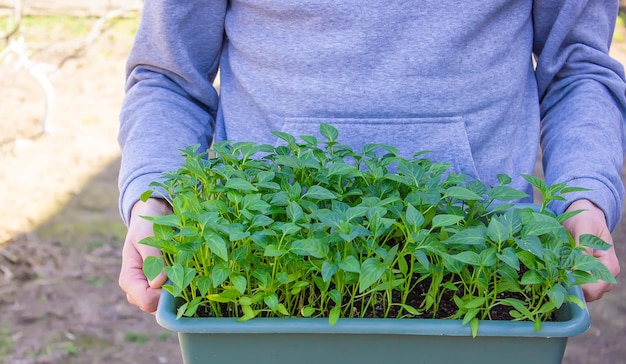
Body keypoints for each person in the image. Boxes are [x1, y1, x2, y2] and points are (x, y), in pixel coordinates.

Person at [118, 1, 624, 314]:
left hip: (482, 259)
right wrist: (153, 201)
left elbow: (578, 69)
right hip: (264, 260)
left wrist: (583, 194)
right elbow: (169, 76)